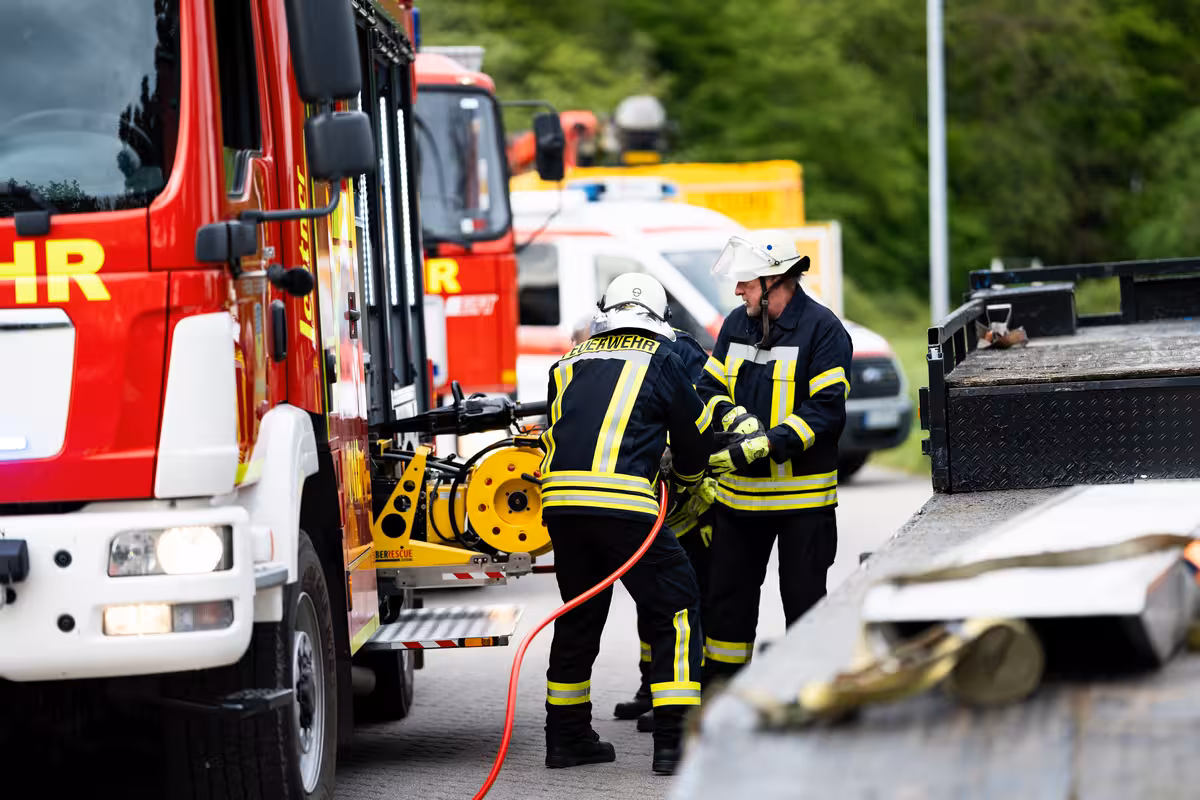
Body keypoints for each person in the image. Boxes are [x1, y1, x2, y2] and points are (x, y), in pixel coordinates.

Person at [539, 273, 715, 775]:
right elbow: (693, 437)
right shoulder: (663, 358)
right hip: (625, 506)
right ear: (657, 318)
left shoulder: (567, 361)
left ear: (606, 311)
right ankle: (674, 744)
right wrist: (683, 481)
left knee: (578, 615)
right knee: (676, 608)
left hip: (562, 507)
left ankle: (566, 738)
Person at [695, 229, 853, 684]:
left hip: (803, 505)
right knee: (726, 608)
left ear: (774, 281)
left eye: (746, 281)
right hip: (738, 503)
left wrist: (766, 444)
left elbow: (825, 412)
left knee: (804, 608)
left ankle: (805, 701)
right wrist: (736, 422)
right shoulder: (736, 324)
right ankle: (722, 702)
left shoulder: (823, 330)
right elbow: (708, 389)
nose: (738, 289)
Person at [612, 326, 718, 733]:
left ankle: (681, 698)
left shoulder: (680, 351)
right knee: (650, 603)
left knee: (686, 602)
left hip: (691, 502)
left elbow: (697, 412)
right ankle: (652, 688)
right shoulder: (618, 348)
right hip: (649, 501)